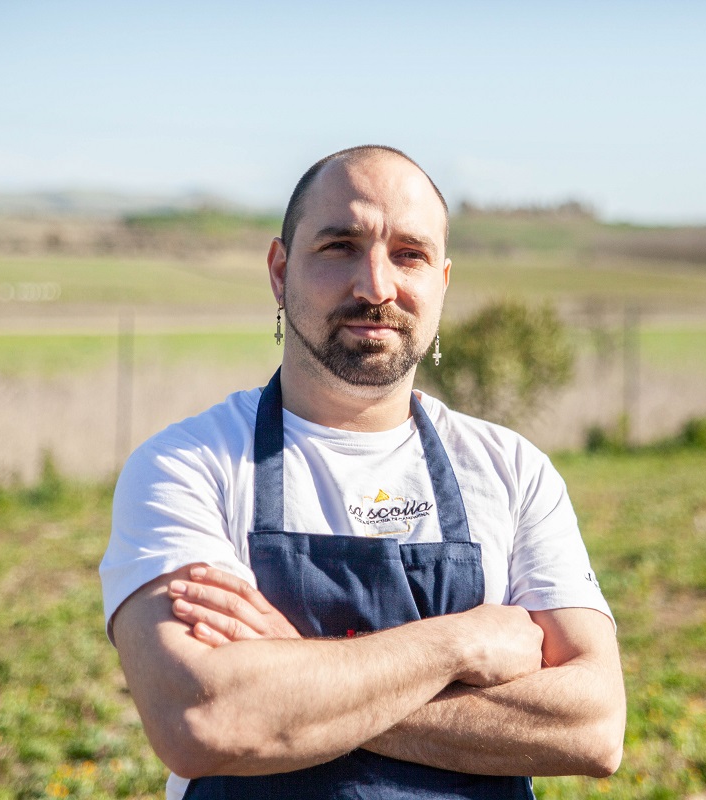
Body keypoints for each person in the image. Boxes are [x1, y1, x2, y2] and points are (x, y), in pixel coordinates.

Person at [100, 145, 626, 800]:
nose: (375, 286)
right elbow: (202, 718)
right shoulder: (189, 466)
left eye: (409, 253)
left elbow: (594, 725)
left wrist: (291, 681)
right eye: (340, 246)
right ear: (280, 270)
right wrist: (460, 644)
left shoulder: (513, 471)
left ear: (442, 282)